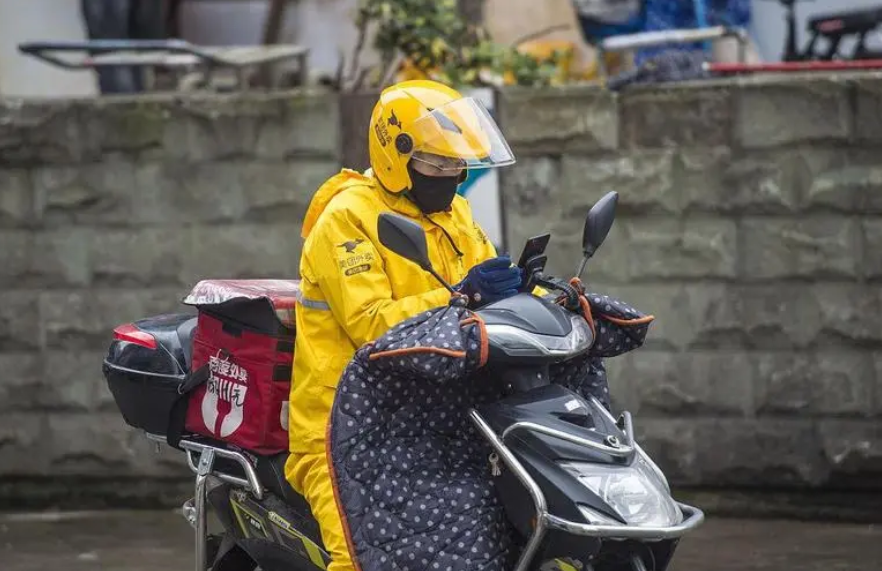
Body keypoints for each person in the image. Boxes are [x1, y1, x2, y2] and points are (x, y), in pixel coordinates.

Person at [285, 79, 522, 571]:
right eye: (437, 166)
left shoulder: (453, 213)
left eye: (458, 167)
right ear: (397, 156)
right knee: (361, 559)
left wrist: (535, 292)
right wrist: (463, 296)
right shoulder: (346, 219)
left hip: (430, 413)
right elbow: (371, 325)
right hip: (344, 424)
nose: (452, 179)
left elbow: (483, 291)